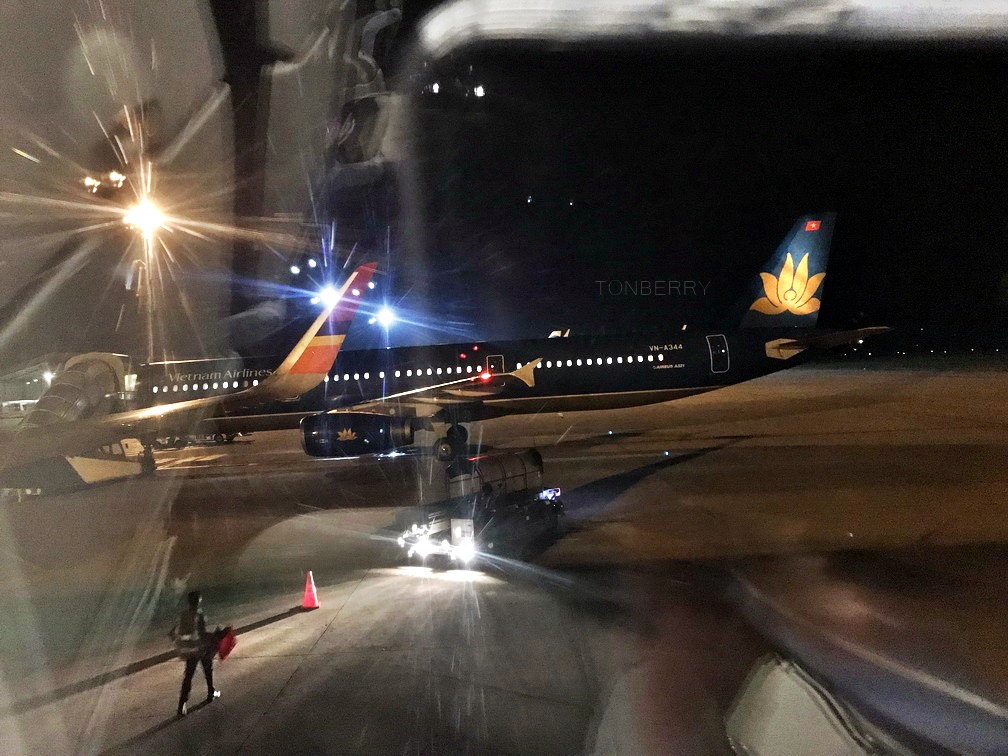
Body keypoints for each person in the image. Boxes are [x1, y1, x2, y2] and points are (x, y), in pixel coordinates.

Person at [169, 590, 221, 716]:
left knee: (188, 676)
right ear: (198, 601)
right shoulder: (199, 615)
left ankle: (182, 705)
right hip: (200, 649)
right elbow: (202, 634)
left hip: (188, 650)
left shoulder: (183, 615)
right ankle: (211, 693)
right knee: (208, 670)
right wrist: (215, 634)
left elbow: (172, 633)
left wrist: (180, 645)